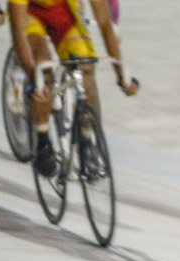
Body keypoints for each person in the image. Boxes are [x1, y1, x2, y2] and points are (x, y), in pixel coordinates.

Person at [7, 0, 138, 177]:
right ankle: (43, 141)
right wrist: (33, 79)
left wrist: (121, 75)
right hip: (31, 14)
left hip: (64, 10)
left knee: (86, 67)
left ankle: (87, 139)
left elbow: (105, 25)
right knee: (42, 71)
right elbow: (18, 36)